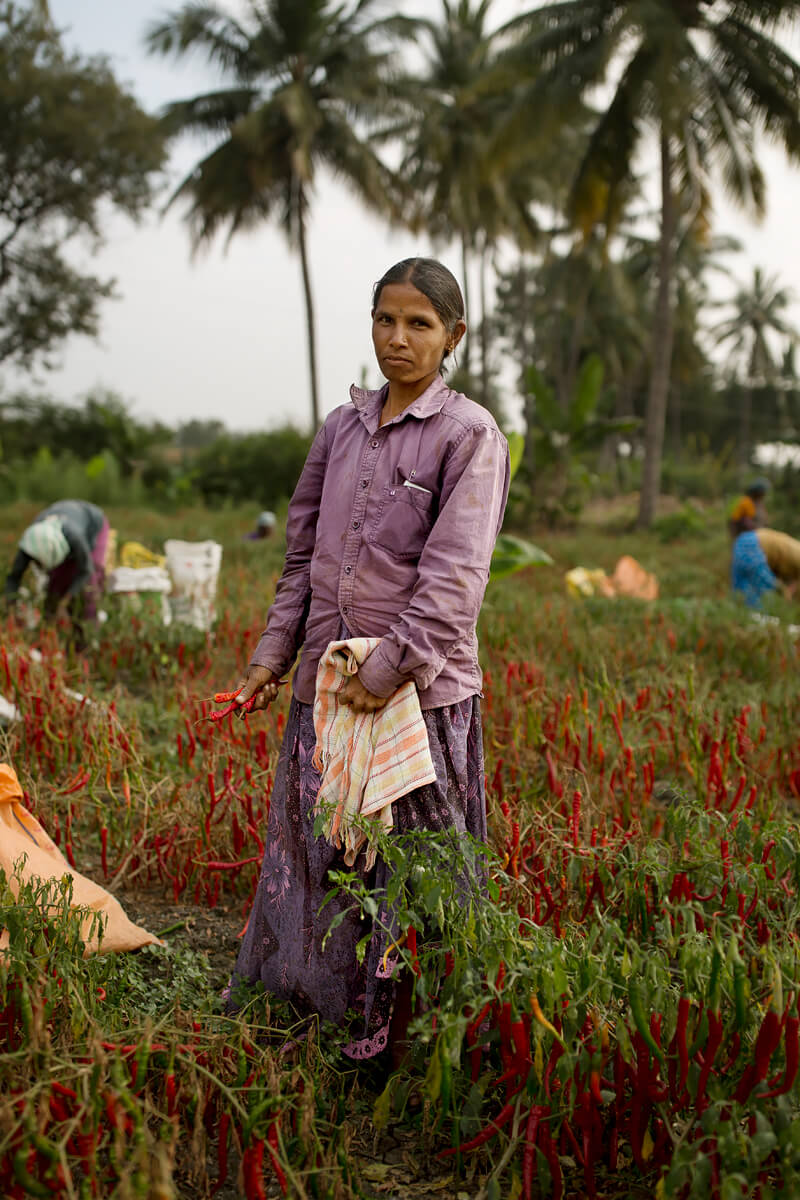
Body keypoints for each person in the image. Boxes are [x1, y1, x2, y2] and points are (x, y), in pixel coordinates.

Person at [226, 257, 510, 1061]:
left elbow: (455, 581)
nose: (398, 338)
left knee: (411, 873)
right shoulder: (341, 429)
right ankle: (319, 1012)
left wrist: (382, 675)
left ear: (453, 336)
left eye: (420, 324)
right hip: (327, 685)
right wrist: (271, 657)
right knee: (322, 856)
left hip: (415, 698)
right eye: (386, 319)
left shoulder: (469, 436)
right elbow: (301, 557)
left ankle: (412, 1040)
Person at [4, 500, 110, 627]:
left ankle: (89, 630)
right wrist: (10, 606)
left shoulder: (75, 538)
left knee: (89, 587)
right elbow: (14, 576)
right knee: (56, 585)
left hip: (93, 524)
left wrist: (64, 602)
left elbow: (86, 570)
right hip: (67, 518)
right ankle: (53, 626)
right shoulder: (30, 542)